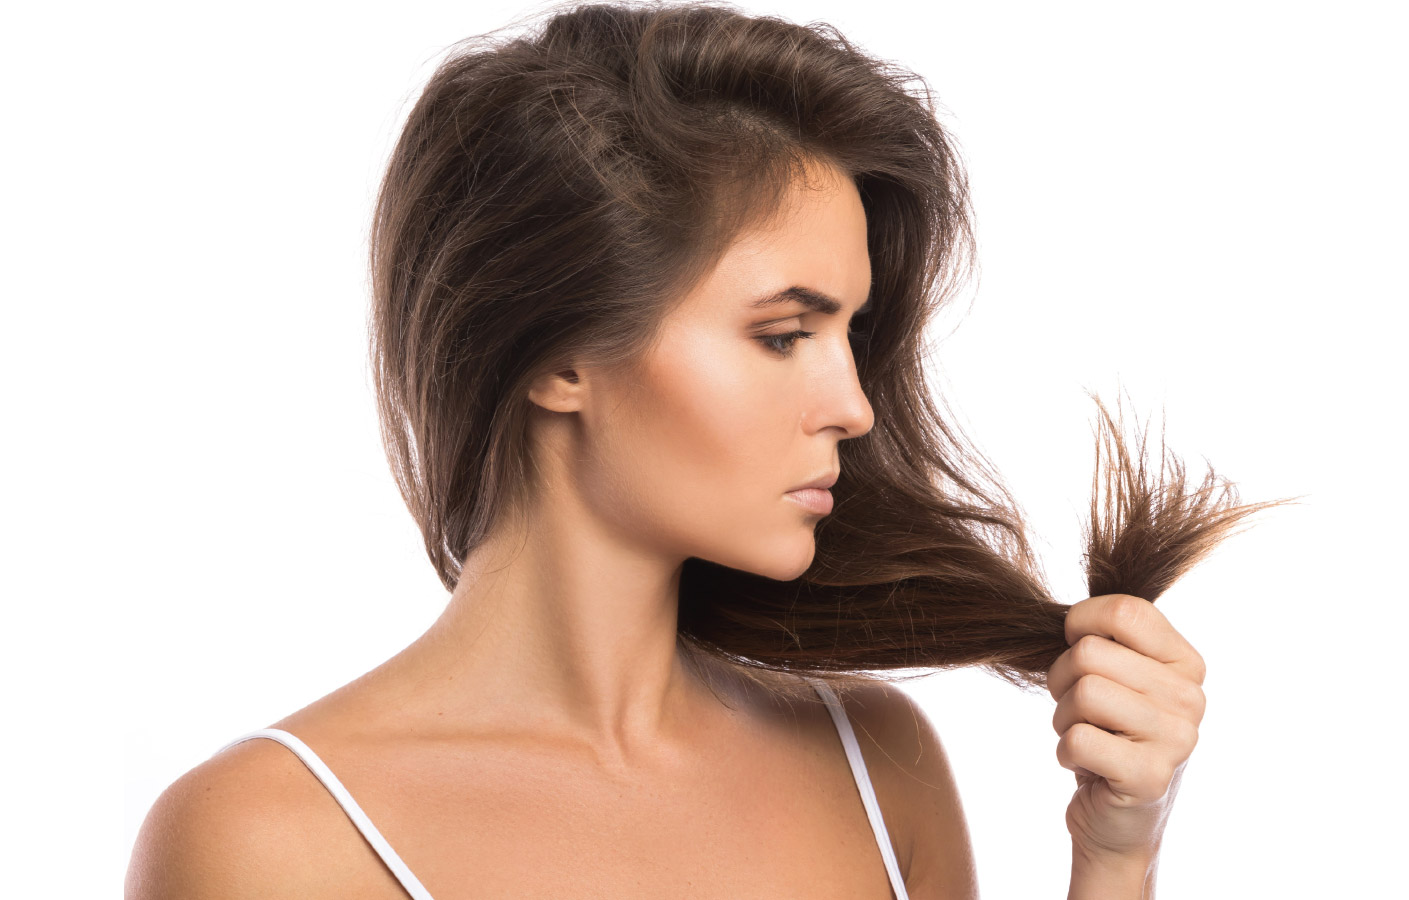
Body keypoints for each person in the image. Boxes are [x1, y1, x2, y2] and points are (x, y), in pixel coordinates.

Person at [127, 2, 1213, 897]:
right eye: (782, 336)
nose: (854, 407)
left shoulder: (878, 770)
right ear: (559, 356)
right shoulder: (269, 841)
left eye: (851, 335)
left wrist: (1116, 855)